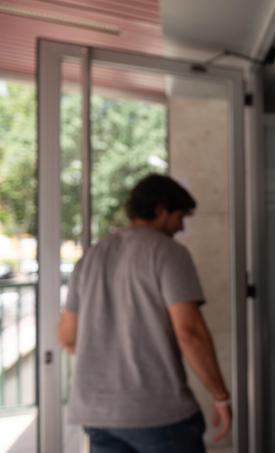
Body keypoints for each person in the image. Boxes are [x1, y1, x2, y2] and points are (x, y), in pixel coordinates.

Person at [57, 174, 231, 453]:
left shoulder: (90, 257)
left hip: (96, 415)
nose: (181, 226)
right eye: (180, 216)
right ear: (160, 210)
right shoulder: (169, 253)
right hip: (158, 414)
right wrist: (220, 397)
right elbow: (190, 333)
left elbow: (67, 337)